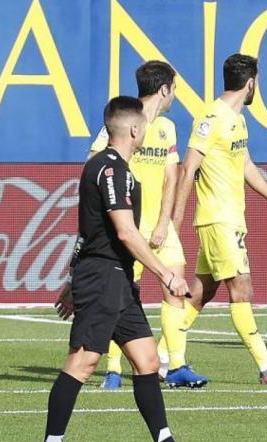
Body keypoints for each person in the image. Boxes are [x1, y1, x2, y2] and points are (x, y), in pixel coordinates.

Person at [36, 96, 217, 442]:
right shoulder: (110, 169)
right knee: (82, 363)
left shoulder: (113, 169)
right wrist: (165, 273)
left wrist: (72, 279)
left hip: (114, 277)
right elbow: (125, 231)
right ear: (135, 129)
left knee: (148, 360)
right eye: (143, 127)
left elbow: (88, 231)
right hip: (104, 278)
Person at [62, 60, 209, 390]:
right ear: (164, 89)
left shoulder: (167, 128)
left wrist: (165, 221)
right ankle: (113, 369)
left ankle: (177, 364)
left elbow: (172, 175)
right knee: (122, 293)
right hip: (126, 222)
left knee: (177, 286)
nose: (175, 98)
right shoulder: (125, 120)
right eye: (175, 91)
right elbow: (95, 163)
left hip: (158, 224)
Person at [171, 54, 267, 386]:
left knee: (202, 293)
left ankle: (163, 356)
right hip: (218, 219)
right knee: (242, 289)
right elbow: (189, 167)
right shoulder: (211, 117)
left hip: (230, 219)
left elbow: (245, 165)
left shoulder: (238, 120)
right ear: (251, 83)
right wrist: (176, 216)